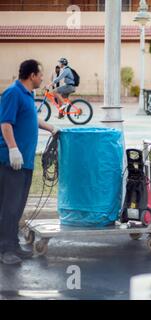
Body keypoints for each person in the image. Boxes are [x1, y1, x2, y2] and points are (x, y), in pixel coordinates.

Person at [0, 59, 58, 265]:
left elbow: (31, 119)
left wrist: (50, 128)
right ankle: (5, 250)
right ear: (32, 75)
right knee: (8, 207)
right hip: (11, 162)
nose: (42, 78)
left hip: (25, 162)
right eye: (40, 74)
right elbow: (5, 123)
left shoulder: (28, 94)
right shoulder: (12, 93)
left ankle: (13, 245)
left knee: (17, 207)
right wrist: (13, 149)